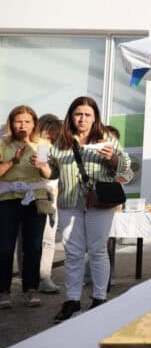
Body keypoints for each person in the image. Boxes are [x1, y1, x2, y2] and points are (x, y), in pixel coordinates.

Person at [49, 96, 130, 322]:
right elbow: (53, 172)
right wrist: (42, 168)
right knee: (73, 253)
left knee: (97, 249)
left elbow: (126, 166)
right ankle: (72, 301)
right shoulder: (61, 142)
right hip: (69, 202)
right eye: (78, 114)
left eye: (87, 115)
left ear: (95, 118)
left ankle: (99, 298)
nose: (82, 119)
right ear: (71, 116)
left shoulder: (106, 139)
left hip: (99, 200)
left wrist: (113, 158)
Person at [0, 106, 53, 309]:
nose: (23, 125)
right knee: (4, 247)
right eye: (18, 121)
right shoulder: (3, 143)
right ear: (11, 123)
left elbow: (48, 173)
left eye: (27, 121)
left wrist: (41, 166)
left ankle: (31, 289)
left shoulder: (42, 144)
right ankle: (3, 290)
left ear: (34, 124)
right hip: (7, 199)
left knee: (33, 247)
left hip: (35, 199)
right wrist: (13, 161)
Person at [36, 114, 62, 294]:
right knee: (39, 240)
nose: (51, 137)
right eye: (49, 133)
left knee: (48, 239)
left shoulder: (57, 148)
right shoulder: (41, 147)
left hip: (52, 196)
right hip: (40, 195)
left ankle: (43, 277)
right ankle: (38, 278)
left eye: (55, 134)